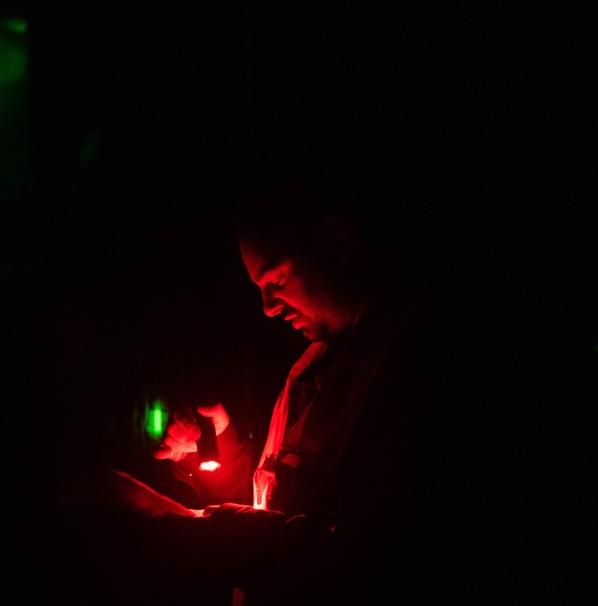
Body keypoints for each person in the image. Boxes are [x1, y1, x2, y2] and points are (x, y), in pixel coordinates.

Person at [51, 187, 426, 605]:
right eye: (258, 288)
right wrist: (222, 449)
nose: (267, 306)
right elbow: (287, 493)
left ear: (336, 244)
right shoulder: (314, 363)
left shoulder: (406, 370)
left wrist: (185, 526)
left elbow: (359, 556)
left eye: (276, 279)